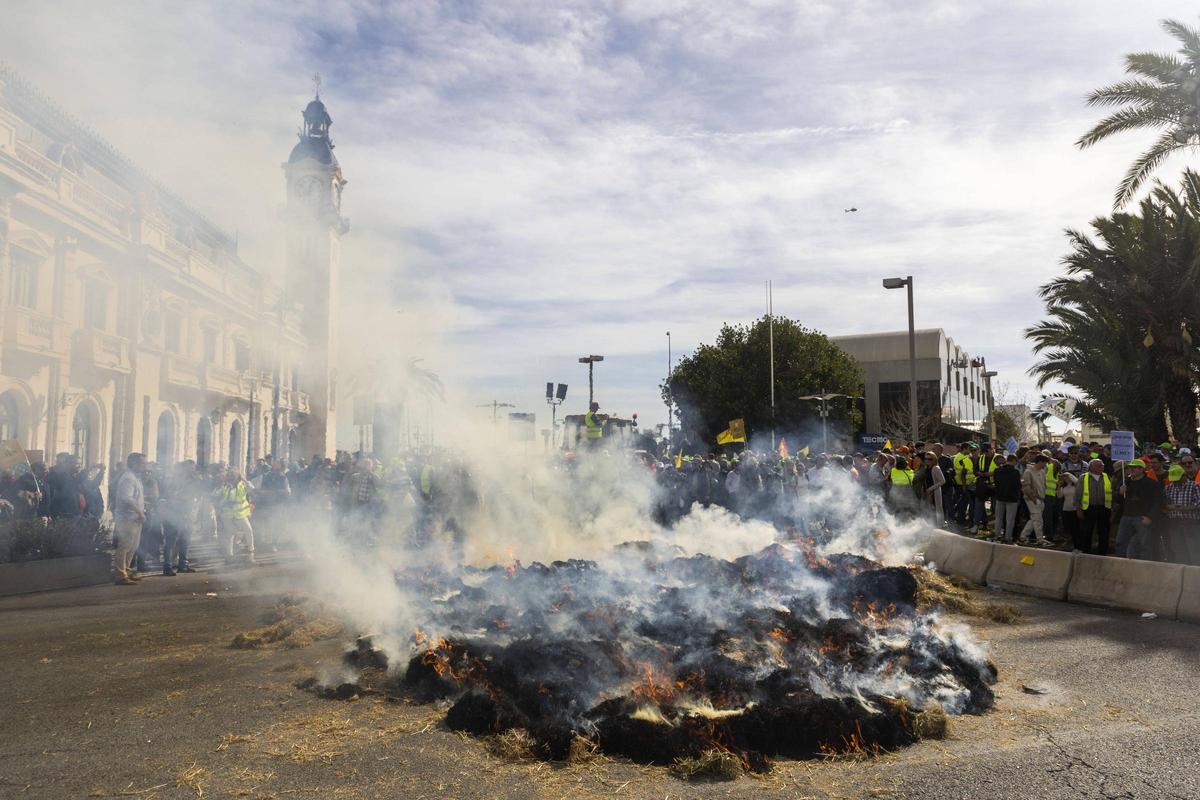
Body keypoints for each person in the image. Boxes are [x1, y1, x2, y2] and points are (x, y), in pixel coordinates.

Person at [1114, 459, 1163, 560]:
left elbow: (1158, 502)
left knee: (1144, 545)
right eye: (1130, 467)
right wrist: (1119, 493)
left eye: (1134, 467)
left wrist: (1150, 517)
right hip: (1126, 516)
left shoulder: (1151, 483)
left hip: (1142, 518)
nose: (1131, 469)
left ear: (1141, 469)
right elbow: (1116, 500)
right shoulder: (1124, 482)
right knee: (1120, 542)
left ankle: (1144, 568)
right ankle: (1121, 565)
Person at [113, 453, 147, 585]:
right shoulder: (128, 478)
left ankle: (126, 571)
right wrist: (140, 512)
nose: (145, 466)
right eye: (142, 463)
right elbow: (126, 499)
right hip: (127, 518)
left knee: (133, 547)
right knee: (125, 546)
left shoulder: (135, 478)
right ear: (134, 463)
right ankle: (120, 575)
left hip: (134, 518)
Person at [1164, 455, 1200, 565]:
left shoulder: (1195, 486)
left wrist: (1185, 508)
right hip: (1174, 523)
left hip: (1191, 523)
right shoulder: (1169, 488)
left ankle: (1195, 575)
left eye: (1178, 479)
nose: (1175, 482)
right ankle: (1181, 575)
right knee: (1178, 550)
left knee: (1193, 550)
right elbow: (1164, 504)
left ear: (1184, 476)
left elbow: (1199, 503)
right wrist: (1169, 507)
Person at [216, 469, 255, 564]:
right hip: (227, 514)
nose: (232, 477)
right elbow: (216, 495)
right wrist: (225, 502)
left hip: (240, 514)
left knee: (248, 530)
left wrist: (245, 480)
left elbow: (252, 489)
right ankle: (229, 555)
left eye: (234, 475)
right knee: (230, 534)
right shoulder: (225, 485)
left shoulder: (243, 484)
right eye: (230, 475)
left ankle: (251, 550)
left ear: (238, 476)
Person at [1077, 458, 1113, 554]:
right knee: (1087, 532)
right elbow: (1078, 494)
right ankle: (1086, 552)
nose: (1103, 467)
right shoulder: (1083, 478)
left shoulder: (1107, 477)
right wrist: (1079, 509)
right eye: (1100, 465)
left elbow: (1111, 492)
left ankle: (1103, 552)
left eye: (1102, 465)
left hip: (1104, 508)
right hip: (1089, 508)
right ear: (1092, 467)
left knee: (1104, 532)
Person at [1018, 455, 1054, 546]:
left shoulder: (1042, 471)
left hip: (1041, 498)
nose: (1045, 465)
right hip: (1032, 499)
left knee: (1034, 519)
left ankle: (1023, 537)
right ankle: (1040, 540)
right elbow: (1026, 487)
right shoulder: (1028, 472)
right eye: (1044, 463)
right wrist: (1033, 498)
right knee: (1038, 520)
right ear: (1040, 462)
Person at [992, 454, 1022, 544]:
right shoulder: (1015, 472)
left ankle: (996, 536)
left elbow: (996, 483)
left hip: (1000, 496)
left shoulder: (997, 470)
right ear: (1013, 461)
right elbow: (1018, 486)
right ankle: (1008, 537)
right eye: (1016, 462)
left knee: (998, 518)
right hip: (1012, 498)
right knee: (1010, 519)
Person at [921, 452, 945, 525]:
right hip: (928, 491)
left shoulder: (936, 468)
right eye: (926, 459)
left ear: (934, 459)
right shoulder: (926, 468)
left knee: (936, 509)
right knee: (929, 508)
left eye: (930, 459)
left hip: (935, 492)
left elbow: (942, 481)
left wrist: (931, 489)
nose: (927, 460)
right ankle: (931, 524)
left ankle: (939, 525)